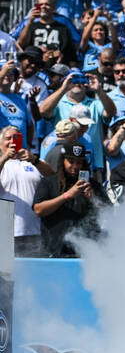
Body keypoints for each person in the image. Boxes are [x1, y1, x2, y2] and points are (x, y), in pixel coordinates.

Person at [38, 69, 116, 177]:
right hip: (63, 165)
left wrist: (99, 91)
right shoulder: (58, 103)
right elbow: (43, 111)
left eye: (81, 79)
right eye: (73, 79)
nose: (77, 83)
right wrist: (63, 89)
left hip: (91, 163)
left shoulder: (95, 103)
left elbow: (111, 112)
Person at [31, 141, 101, 256]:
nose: (75, 166)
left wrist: (93, 199)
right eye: (71, 161)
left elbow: (107, 212)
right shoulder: (48, 182)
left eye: (79, 162)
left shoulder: (93, 185)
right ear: (62, 160)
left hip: (86, 251)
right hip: (54, 250)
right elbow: (38, 210)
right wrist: (66, 195)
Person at [0, 125, 55, 257]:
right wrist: (5, 157)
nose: (13, 141)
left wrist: (34, 160)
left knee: (32, 273)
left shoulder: (31, 161)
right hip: (5, 233)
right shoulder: (2, 162)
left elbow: (53, 176)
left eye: (16, 138)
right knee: (6, 274)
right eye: (8, 138)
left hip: (34, 231)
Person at [17, 0, 79, 66]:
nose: (43, 7)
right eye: (41, 4)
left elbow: (70, 53)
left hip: (55, 67)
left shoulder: (63, 28)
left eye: (47, 4)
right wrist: (30, 21)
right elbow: (20, 44)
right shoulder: (31, 26)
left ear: (53, 8)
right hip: (34, 67)